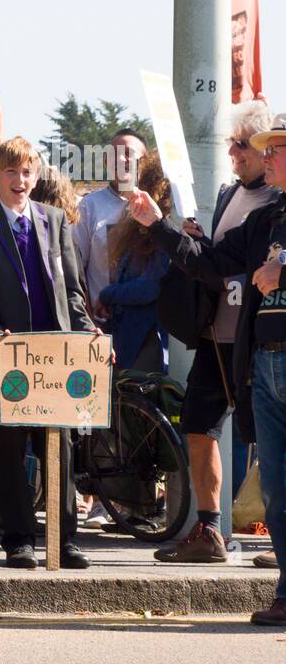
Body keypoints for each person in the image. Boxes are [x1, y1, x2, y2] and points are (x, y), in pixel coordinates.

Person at [127, 119, 286, 625]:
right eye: (268, 150)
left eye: (275, 150)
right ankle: (285, 591)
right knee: (277, 488)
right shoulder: (266, 219)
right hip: (260, 360)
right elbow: (211, 261)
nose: (267, 157)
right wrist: (159, 225)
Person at [0, 137, 96, 569]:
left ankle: (63, 538)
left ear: (36, 177)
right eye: (11, 172)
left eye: (27, 172)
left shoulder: (55, 220)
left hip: (55, 354)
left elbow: (71, 289)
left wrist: (87, 330)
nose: (20, 180)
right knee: (9, 449)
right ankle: (18, 538)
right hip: (10, 355)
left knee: (60, 447)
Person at [157, 100, 278, 564]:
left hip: (254, 341)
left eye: (242, 144)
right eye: (232, 143)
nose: (234, 152)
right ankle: (209, 531)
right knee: (198, 428)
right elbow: (220, 262)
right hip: (214, 335)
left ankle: (276, 542)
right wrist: (194, 240)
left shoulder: (275, 204)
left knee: (269, 441)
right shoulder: (230, 195)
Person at [98, 151, 171, 373]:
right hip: (129, 335)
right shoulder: (139, 225)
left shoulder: (165, 229)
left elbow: (149, 287)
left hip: (146, 338)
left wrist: (107, 294)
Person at [72, 127, 149, 319]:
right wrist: (87, 316)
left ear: (146, 162)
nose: (121, 160)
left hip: (146, 325)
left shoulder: (158, 206)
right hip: (101, 324)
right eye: (114, 154)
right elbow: (76, 268)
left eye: (129, 154)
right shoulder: (90, 205)